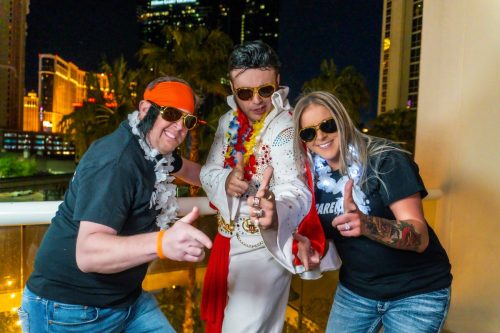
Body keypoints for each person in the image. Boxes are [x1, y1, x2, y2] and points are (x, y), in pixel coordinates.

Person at [18, 76, 213, 333]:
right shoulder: (116, 161)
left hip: (127, 299)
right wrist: (162, 243)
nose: (179, 127)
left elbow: (190, 171)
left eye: (187, 120)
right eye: (171, 113)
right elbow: (88, 254)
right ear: (145, 110)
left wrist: (226, 184)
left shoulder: (156, 152)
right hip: (69, 309)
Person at [292, 91, 453, 333]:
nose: (321, 136)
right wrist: (311, 245)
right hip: (356, 292)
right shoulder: (312, 177)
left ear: (343, 120)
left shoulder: (385, 159)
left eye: (327, 124)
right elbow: (327, 231)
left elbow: (419, 237)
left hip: (417, 292)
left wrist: (366, 224)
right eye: (308, 133)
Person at [199, 40, 325, 333]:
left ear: (278, 83)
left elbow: (297, 189)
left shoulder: (284, 128)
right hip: (225, 242)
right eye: (245, 92)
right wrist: (227, 180)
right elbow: (209, 171)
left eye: (265, 90)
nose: (256, 101)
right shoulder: (227, 122)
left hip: (263, 247)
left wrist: (274, 209)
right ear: (233, 90)